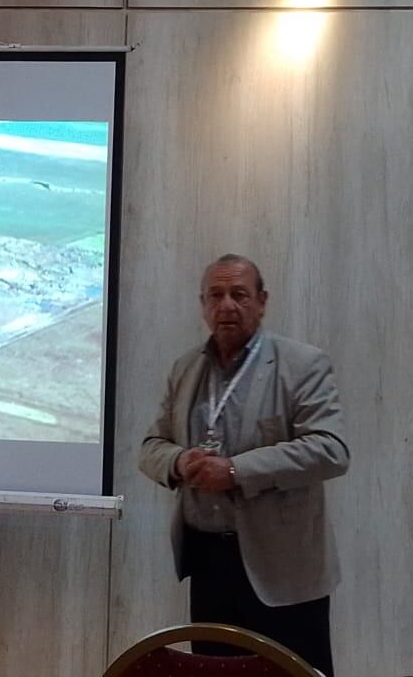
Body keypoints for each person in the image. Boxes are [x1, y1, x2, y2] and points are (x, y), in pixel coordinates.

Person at [138, 254, 350, 676]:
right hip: (210, 566)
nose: (227, 305)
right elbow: (150, 445)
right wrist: (180, 461)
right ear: (203, 305)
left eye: (239, 294)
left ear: (262, 301)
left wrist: (236, 470)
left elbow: (331, 449)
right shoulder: (186, 369)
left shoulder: (302, 364)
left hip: (284, 571)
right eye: (215, 295)